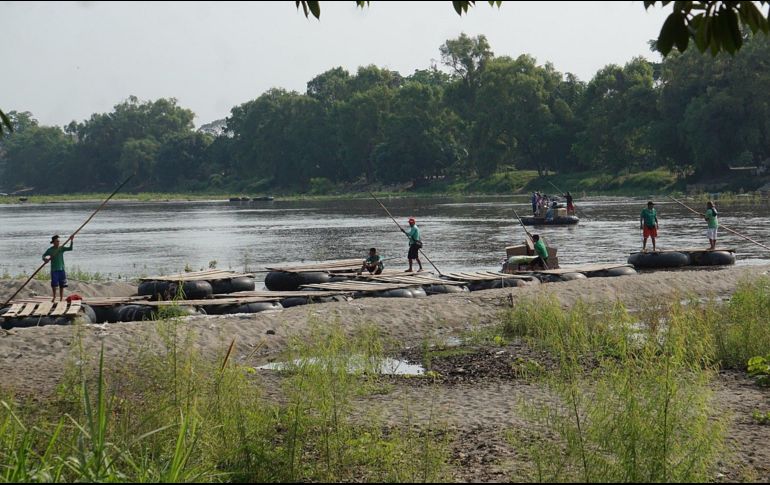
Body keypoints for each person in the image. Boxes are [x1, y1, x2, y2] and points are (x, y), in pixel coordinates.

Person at [42, 235, 74, 302]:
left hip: (61, 269)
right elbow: (43, 255)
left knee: (62, 285)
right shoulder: (50, 250)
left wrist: (71, 240)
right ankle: (54, 297)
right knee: (54, 284)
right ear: (53, 242)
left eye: (59, 241)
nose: (58, 242)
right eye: (57, 241)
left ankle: (61, 298)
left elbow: (70, 248)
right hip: (54, 269)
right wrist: (45, 259)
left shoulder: (61, 248)